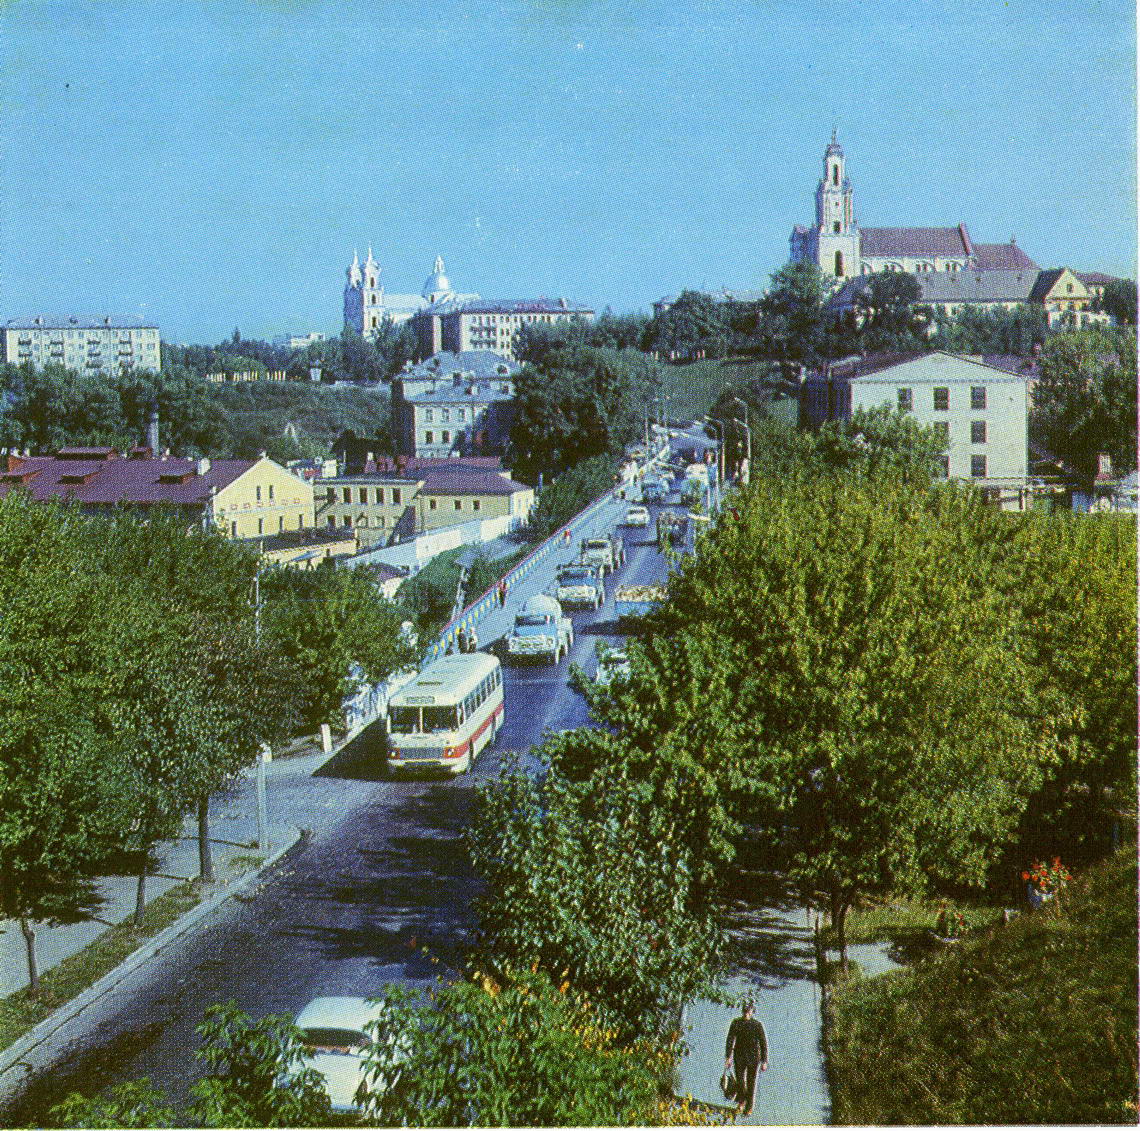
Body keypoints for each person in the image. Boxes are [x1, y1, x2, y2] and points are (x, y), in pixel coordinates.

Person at [724, 999, 768, 1117]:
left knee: (751, 1082)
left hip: (754, 1057)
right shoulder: (736, 1023)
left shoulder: (757, 1025)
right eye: (744, 1011)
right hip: (739, 1055)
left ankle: (749, 1107)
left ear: (752, 1012)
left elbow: (763, 1043)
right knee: (739, 1080)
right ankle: (742, 1100)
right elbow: (730, 1040)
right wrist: (728, 1057)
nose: (746, 1013)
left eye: (748, 1011)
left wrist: (764, 1061)